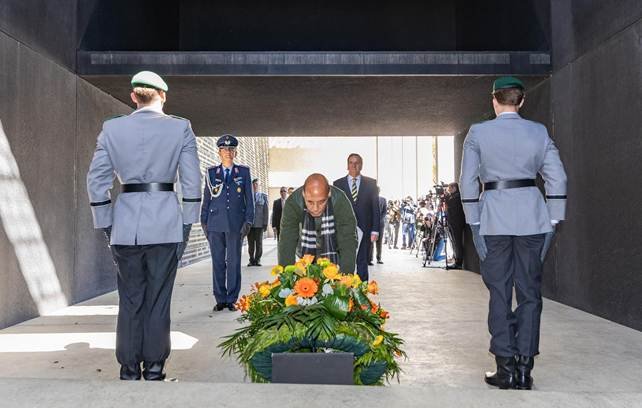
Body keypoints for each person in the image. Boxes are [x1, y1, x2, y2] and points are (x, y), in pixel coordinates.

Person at [87, 71, 201, 381]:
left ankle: (128, 369)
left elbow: (96, 181)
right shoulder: (180, 128)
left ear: (133, 97)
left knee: (130, 298)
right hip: (165, 224)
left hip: (126, 226)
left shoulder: (112, 129)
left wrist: (106, 222)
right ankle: (154, 368)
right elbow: (192, 180)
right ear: (163, 96)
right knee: (158, 299)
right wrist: (188, 221)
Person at [460, 76, 567, 390]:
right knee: (530, 294)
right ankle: (524, 370)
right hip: (533, 219)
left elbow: (467, 181)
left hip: (493, 221)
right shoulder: (538, 132)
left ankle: (505, 368)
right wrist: (553, 219)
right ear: (521, 101)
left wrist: (474, 221)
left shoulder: (478, 133)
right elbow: (558, 178)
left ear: (494, 100)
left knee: (500, 293)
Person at [201, 134, 254, 312]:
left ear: (235, 152)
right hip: (215, 225)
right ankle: (220, 298)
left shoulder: (243, 172)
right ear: (219, 152)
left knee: (233, 263)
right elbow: (207, 200)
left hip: (235, 225)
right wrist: (204, 222)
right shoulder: (211, 173)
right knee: (217, 262)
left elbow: (249, 200)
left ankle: (231, 299)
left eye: (231, 149)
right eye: (224, 149)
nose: (228, 152)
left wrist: (248, 221)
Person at [278, 173, 357, 273]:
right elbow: (287, 241)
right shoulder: (293, 203)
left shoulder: (340, 200)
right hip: (305, 249)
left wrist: (347, 276)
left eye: (321, 202)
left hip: (334, 248)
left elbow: (347, 240)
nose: (315, 208)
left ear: (329, 194)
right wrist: (286, 277)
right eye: (310, 202)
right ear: (303, 194)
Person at [333, 153, 380, 281]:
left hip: (365, 229)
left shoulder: (371, 183)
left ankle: (362, 289)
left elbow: (375, 208)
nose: (354, 165)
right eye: (351, 163)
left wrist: (375, 230)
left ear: (361, 165)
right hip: (344, 230)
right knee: (345, 261)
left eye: (357, 163)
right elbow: (334, 208)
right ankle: (345, 288)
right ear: (347, 165)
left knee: (362, 261)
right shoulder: (337, 184)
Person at [247, 178, 268, 266]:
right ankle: (251, 260)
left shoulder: (263, 196)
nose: (255, 186)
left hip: (259, 224)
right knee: (250, 244)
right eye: (254, 184)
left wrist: (265, 223)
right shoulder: (248, 196)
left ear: (259, 186)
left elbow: (266, 211)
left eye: (257, 184)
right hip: (250, 225)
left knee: (259, 243)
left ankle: (258, 259)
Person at [444, 182, 465, 269]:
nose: (449, 190)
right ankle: (456, 259)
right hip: (453, 222)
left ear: (455, 188)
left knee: (457, 242)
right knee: (454, 242)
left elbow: (450, 205)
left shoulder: (457, 197)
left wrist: (446, 197)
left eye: (450, 188)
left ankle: (459, 262)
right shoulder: (453, 197)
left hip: (457, 223)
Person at [369, 189, 387, 265]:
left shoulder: (383, 200)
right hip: (371, 224)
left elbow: (384, 212)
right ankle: (369, 259)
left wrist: (379, 219)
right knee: (371, 242)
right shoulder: (369, 199)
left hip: (380, 224)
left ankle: (379, 258)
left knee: (379, 242)